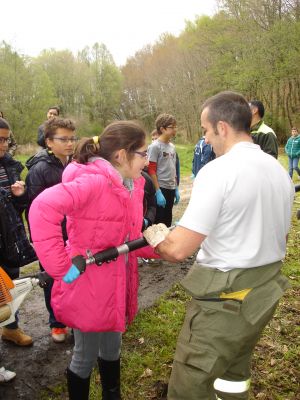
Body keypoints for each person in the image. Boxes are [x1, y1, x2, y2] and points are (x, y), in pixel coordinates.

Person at [143, 91, 294, 400]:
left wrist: (157, 238)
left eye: (205, 129)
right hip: (263, 296)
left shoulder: (218, 171)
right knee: (234, 372)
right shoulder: (278, 170)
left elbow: (178, 249)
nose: (205, 138)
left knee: (189, 385)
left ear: (222, 127)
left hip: (226, 303)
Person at [29, 121, 159, 400]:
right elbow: (42, 208)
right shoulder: (94, 181)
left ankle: (112, 394)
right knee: (85, 355)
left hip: (117, 280)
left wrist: (160, 247)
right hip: (89, 283)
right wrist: (61, 267)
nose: (148, 161)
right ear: (122, 155)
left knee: (113, 346)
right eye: (143, 154)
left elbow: (129, 238)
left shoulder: (132, 184)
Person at [25, 118, 78, 343]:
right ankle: (56, 322)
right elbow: (36, 209)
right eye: (63, 139)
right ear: (49, 142)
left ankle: (75, 317)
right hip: (52, 237)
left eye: (72, 138)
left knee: (75, 276)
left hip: (75, 234)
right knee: (54, 279)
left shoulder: (76, 164)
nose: (69, 144)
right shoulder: (39, 170)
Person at [0, 117, 33, 346]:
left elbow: (17, 207)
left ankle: (10, 327)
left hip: (8, 237)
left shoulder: (10, 166)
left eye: (6, 140)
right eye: (0, 140)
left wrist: (19, 196)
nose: (4, 145)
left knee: (9, 281)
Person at [148, 114, 180, 227]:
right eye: (172, 127)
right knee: (159, 223)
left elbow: (173, 169)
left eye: (176, 127)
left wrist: (175, 188)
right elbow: (151, 170)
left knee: (168, 220)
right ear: (162, 129)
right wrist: (157, 191)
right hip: (161, 188)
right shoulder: (154, 147)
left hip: (171, 188)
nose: (175, 129)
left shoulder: (172, 147)